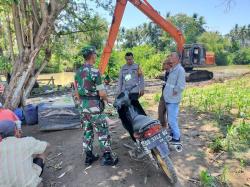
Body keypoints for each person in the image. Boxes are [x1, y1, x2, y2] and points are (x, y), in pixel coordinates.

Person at [74, 46, 118, 166]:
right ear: (92, 55)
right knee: (102, 130)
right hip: (94, 107)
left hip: (83, 107)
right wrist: (108, 100)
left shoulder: (77, 72)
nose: (96, 56)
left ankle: (88, 157)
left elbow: (76, 93)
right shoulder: (95, 72)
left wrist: (83, 104)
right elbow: (102, 93)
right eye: (95, 54)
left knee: (87, 132)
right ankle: (107, 158)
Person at [0, 120, 49, 187]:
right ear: (16, 130)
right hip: (29, 185)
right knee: (41, 150)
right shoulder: (27, 141)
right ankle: (34, 180)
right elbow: (46, 145)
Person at [117, 52, 146, 141]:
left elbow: (141, 78)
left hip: (134, 91)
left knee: (134, 107)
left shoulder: (137, 67)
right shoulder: (123, 68)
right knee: (125, 109)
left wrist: (142, 88)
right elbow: (120, 81)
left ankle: (141, 122)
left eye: (130, 59)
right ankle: (132, 127)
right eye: (127, 59)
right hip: (125, 92)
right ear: (125, 59)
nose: (129, 61)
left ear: (133, 58)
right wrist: (119, 92)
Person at [163, 52, 186, 143]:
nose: (170, 57)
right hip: (168, 97)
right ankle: (172, 133)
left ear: (177, 58)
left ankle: (177, 137)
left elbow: (181, 86)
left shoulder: (180, 70)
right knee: (171, 117)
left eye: (171, 56)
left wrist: (173, 93)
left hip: (173, 98)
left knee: (172, 119)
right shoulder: (173, 68)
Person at [158, 59, 172, 128]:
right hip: (164, 94)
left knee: (170, 112)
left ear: (169, 65)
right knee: (160, 111)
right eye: (163, 64)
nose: (163, 65)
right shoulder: (166, 72)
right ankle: (163, 126)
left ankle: (171, 128)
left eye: (164, 64)